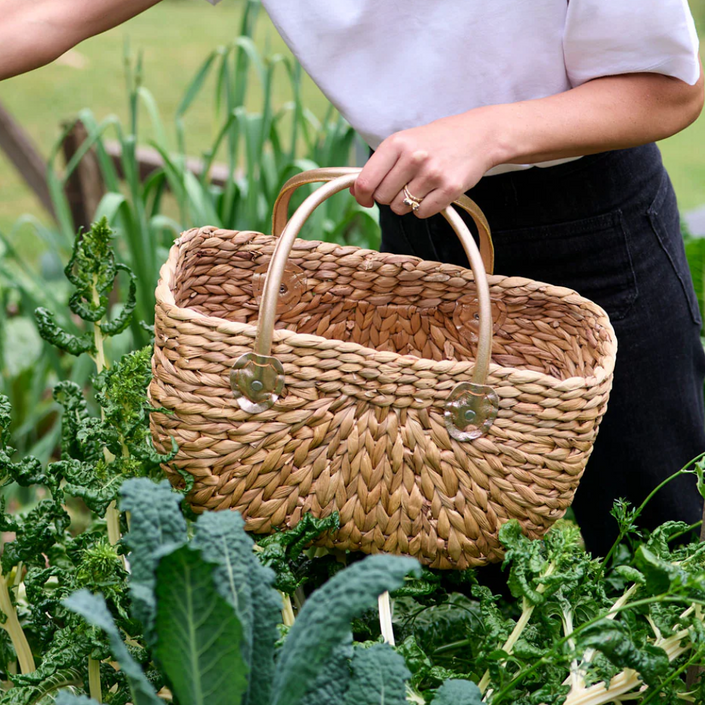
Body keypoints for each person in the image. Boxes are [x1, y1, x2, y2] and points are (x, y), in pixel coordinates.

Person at [2, 0, 705, 556]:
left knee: (660, 541)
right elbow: (40, 14)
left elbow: (668, 91)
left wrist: (484, 132)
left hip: (589, 232)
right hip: (414, 233)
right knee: (435, 565)